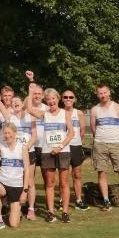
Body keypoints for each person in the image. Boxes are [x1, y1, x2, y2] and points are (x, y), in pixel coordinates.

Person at [25, 85, 74, 223]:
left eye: (53, 98)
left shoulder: (65, 113)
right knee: (50, 183)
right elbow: (29, 109)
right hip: (47, 152)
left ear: (58, 99)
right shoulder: (44, 114)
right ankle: (51, 212)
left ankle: (65, 212)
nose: (51, 101)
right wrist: (30, 92)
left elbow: (71, 133)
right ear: (46, 101)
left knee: (64, 183)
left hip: (63, 151)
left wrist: (59, 147)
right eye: (48, 99)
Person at [0, 90, 39, 220]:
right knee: (11, 178)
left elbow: (34, 136)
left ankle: (30, 208)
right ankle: (10, 206)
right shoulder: (9, 117)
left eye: (17, 101)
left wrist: (25, 148)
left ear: (22, 104)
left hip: (28, 151)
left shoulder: (30, 117)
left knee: (29, 181)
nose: (15, 103)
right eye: (13, 102)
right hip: (12, 153)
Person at [90, 85, 119, 211]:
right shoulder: (94, 110)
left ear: (109, 93)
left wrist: (116, 138)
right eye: (100, 93)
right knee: (102, 172)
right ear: (97, 95)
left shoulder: (118, 108)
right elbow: (93, 128)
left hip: (115, 144)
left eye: (105, 92)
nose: (103, 95)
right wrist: (100, 138)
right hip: (100, 144)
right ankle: (106, 201)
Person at [0, 123, 30, 230]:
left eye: (9, 133)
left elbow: (27, 170)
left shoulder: (22, 148)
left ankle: (16, 211)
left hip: (17, 187)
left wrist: (25, 192)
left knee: (14, 224)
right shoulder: (1, 146)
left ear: (15, 133)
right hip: (3, 183)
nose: (7, 135)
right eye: (5, 133)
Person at [62, 89, 89, 211]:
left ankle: (78, 200)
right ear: (62, 99)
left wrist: (78, 142)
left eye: (71, 97)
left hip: (76, 146)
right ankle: (62, 200)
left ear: (75, 99)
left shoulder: (79, 113)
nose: (68, 99)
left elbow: (82, 131)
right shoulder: (59, 112)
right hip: (64, 147)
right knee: (63, 176)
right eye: (66, 97)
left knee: (77, 174)